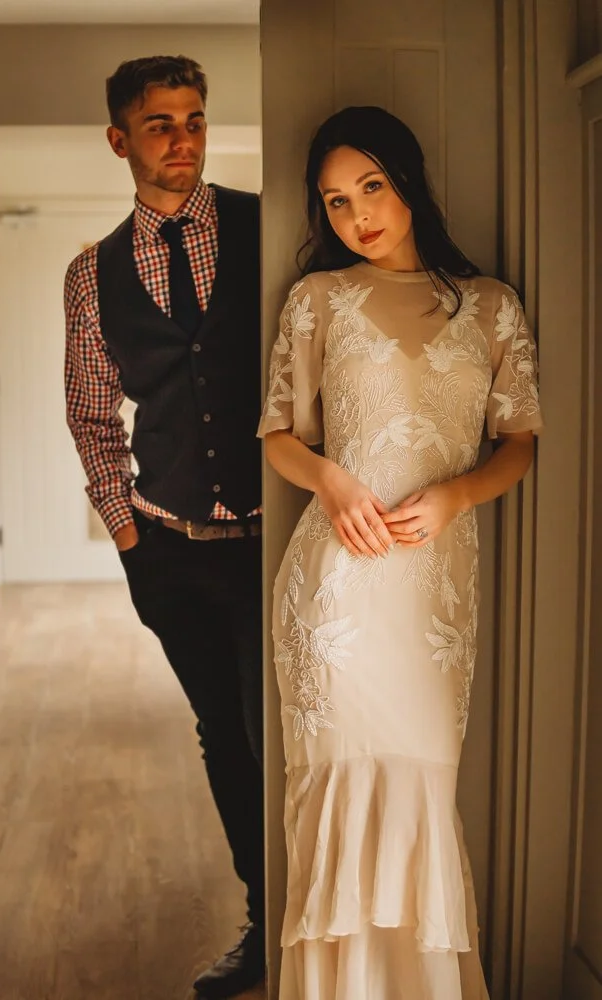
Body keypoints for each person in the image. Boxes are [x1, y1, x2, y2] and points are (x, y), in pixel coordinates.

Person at [258, 105, 542, 1000]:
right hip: (335, 593)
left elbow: (520, 443)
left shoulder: (492, 306)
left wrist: (459, 494)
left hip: (432, 599)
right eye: (335, 202)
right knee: (333, 798)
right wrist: (330, 482)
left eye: (371, 187)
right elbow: (278, 435)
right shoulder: (316, 300)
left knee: (424, 792)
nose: (357, 216)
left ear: (408, 179)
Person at [64, 56, 265, 999]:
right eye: (159, 125)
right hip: (171, 553)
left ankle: (323, 918)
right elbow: (91, 415)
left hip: (277, 545)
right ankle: (267, 920)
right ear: (120, 140)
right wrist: (130, 542)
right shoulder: (90, 275)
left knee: (286, 736)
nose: (183, 140)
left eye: (194, 120)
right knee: (222, 733)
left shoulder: (271, 226)